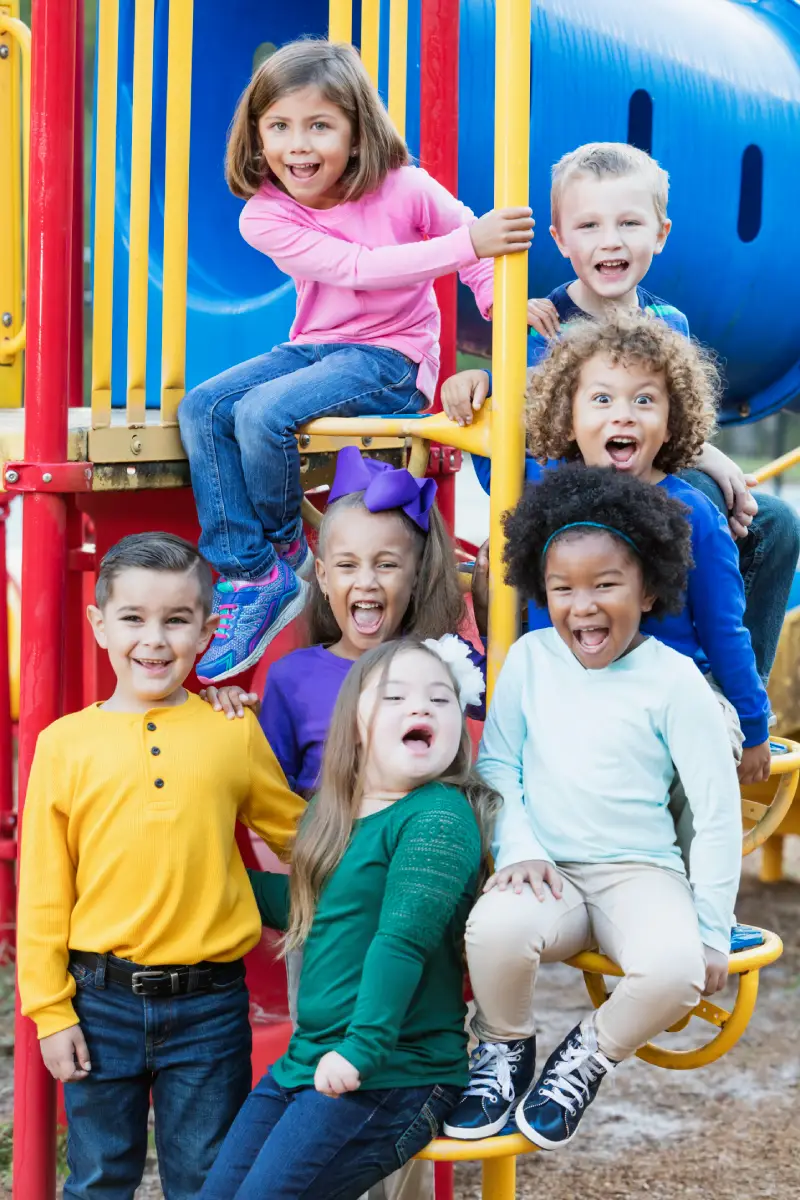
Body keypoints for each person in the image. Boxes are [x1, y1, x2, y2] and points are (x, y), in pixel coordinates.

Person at [178, 39, 533, 685]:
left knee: (262, 414)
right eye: (279, 127)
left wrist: (499, 302)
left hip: (394, 359)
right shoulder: (265, 215)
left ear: (356, 130)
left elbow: (479, 253)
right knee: (202, 407)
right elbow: (358, 270)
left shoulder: (405, 188)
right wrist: (465, 244)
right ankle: (254, 570)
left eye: (319, 125)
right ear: (256, 139)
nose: (298, 145)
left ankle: (283, 549)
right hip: (316, 345)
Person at [443, 465, 742, 1147]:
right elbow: (499, 763)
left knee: (677, 972)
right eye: (562, 589)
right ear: (540, 591)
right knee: (493, 932)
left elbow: (717, 810)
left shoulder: (673, 681)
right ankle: (503, 1048)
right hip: (548, 867)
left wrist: (713, 924)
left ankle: (587, 1056)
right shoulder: (528, 660)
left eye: (606, 585)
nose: (582, 606)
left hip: (640, 872)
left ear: (648, 587)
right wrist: (518, 848)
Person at [442, 142, 800, 682]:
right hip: (568, 508)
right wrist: (480, 384)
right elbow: (521, 427)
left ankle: (727, 688)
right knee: (698, 504)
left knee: (773, 523)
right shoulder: (538, 326)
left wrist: (713, 458)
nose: (610, 241)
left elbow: (673, 429)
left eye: (629, 223)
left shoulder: (667, 323)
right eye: (589, 226)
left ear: (660, 233)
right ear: (560, 240)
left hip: (652, 489)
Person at [16, 533, 306, 1199]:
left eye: (176, 621)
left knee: (207, 1181)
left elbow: (300, 836)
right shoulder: (64, 746)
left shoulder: (230, 731)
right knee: (97, 1178)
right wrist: (51, 1012)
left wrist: (391, 831)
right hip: (98, 1004)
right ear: (99, 625)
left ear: (207, 632)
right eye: (133, 619)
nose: (154, 639)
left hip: (209, 1007)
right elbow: (43, 893)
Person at [198, 639, 497, 1199]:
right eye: (396, 697)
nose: (422, 708)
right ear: (355, 723)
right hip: (308, 1059)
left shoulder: (438, 815)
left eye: (441, 698)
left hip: (396, 1071)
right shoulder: (337, 817)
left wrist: (363, 1048)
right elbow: (317, 910)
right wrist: (215, 877)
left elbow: (401, 941)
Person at [514, 313, 772, 787]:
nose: (623, 413)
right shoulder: (546, 499)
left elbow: (724, 631)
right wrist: (476, 382)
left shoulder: (694, 515)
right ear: (568, 419)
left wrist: (753, 727)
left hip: (675, 695)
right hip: (572, 689)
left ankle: (685, 857)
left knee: (701, 739)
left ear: (671, 425)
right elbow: (491, 447)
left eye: (645, 400)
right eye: (601, 398)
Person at [204, 446, 486, 797]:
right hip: (330, 850)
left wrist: (490, 617)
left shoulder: (443, 662)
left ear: (416, 575)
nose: (366, 581)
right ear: (322, 577)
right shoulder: (291, 678)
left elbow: (503, 705)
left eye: (386, 565)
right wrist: (230, 715)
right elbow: (270, 799)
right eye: (347, 565)